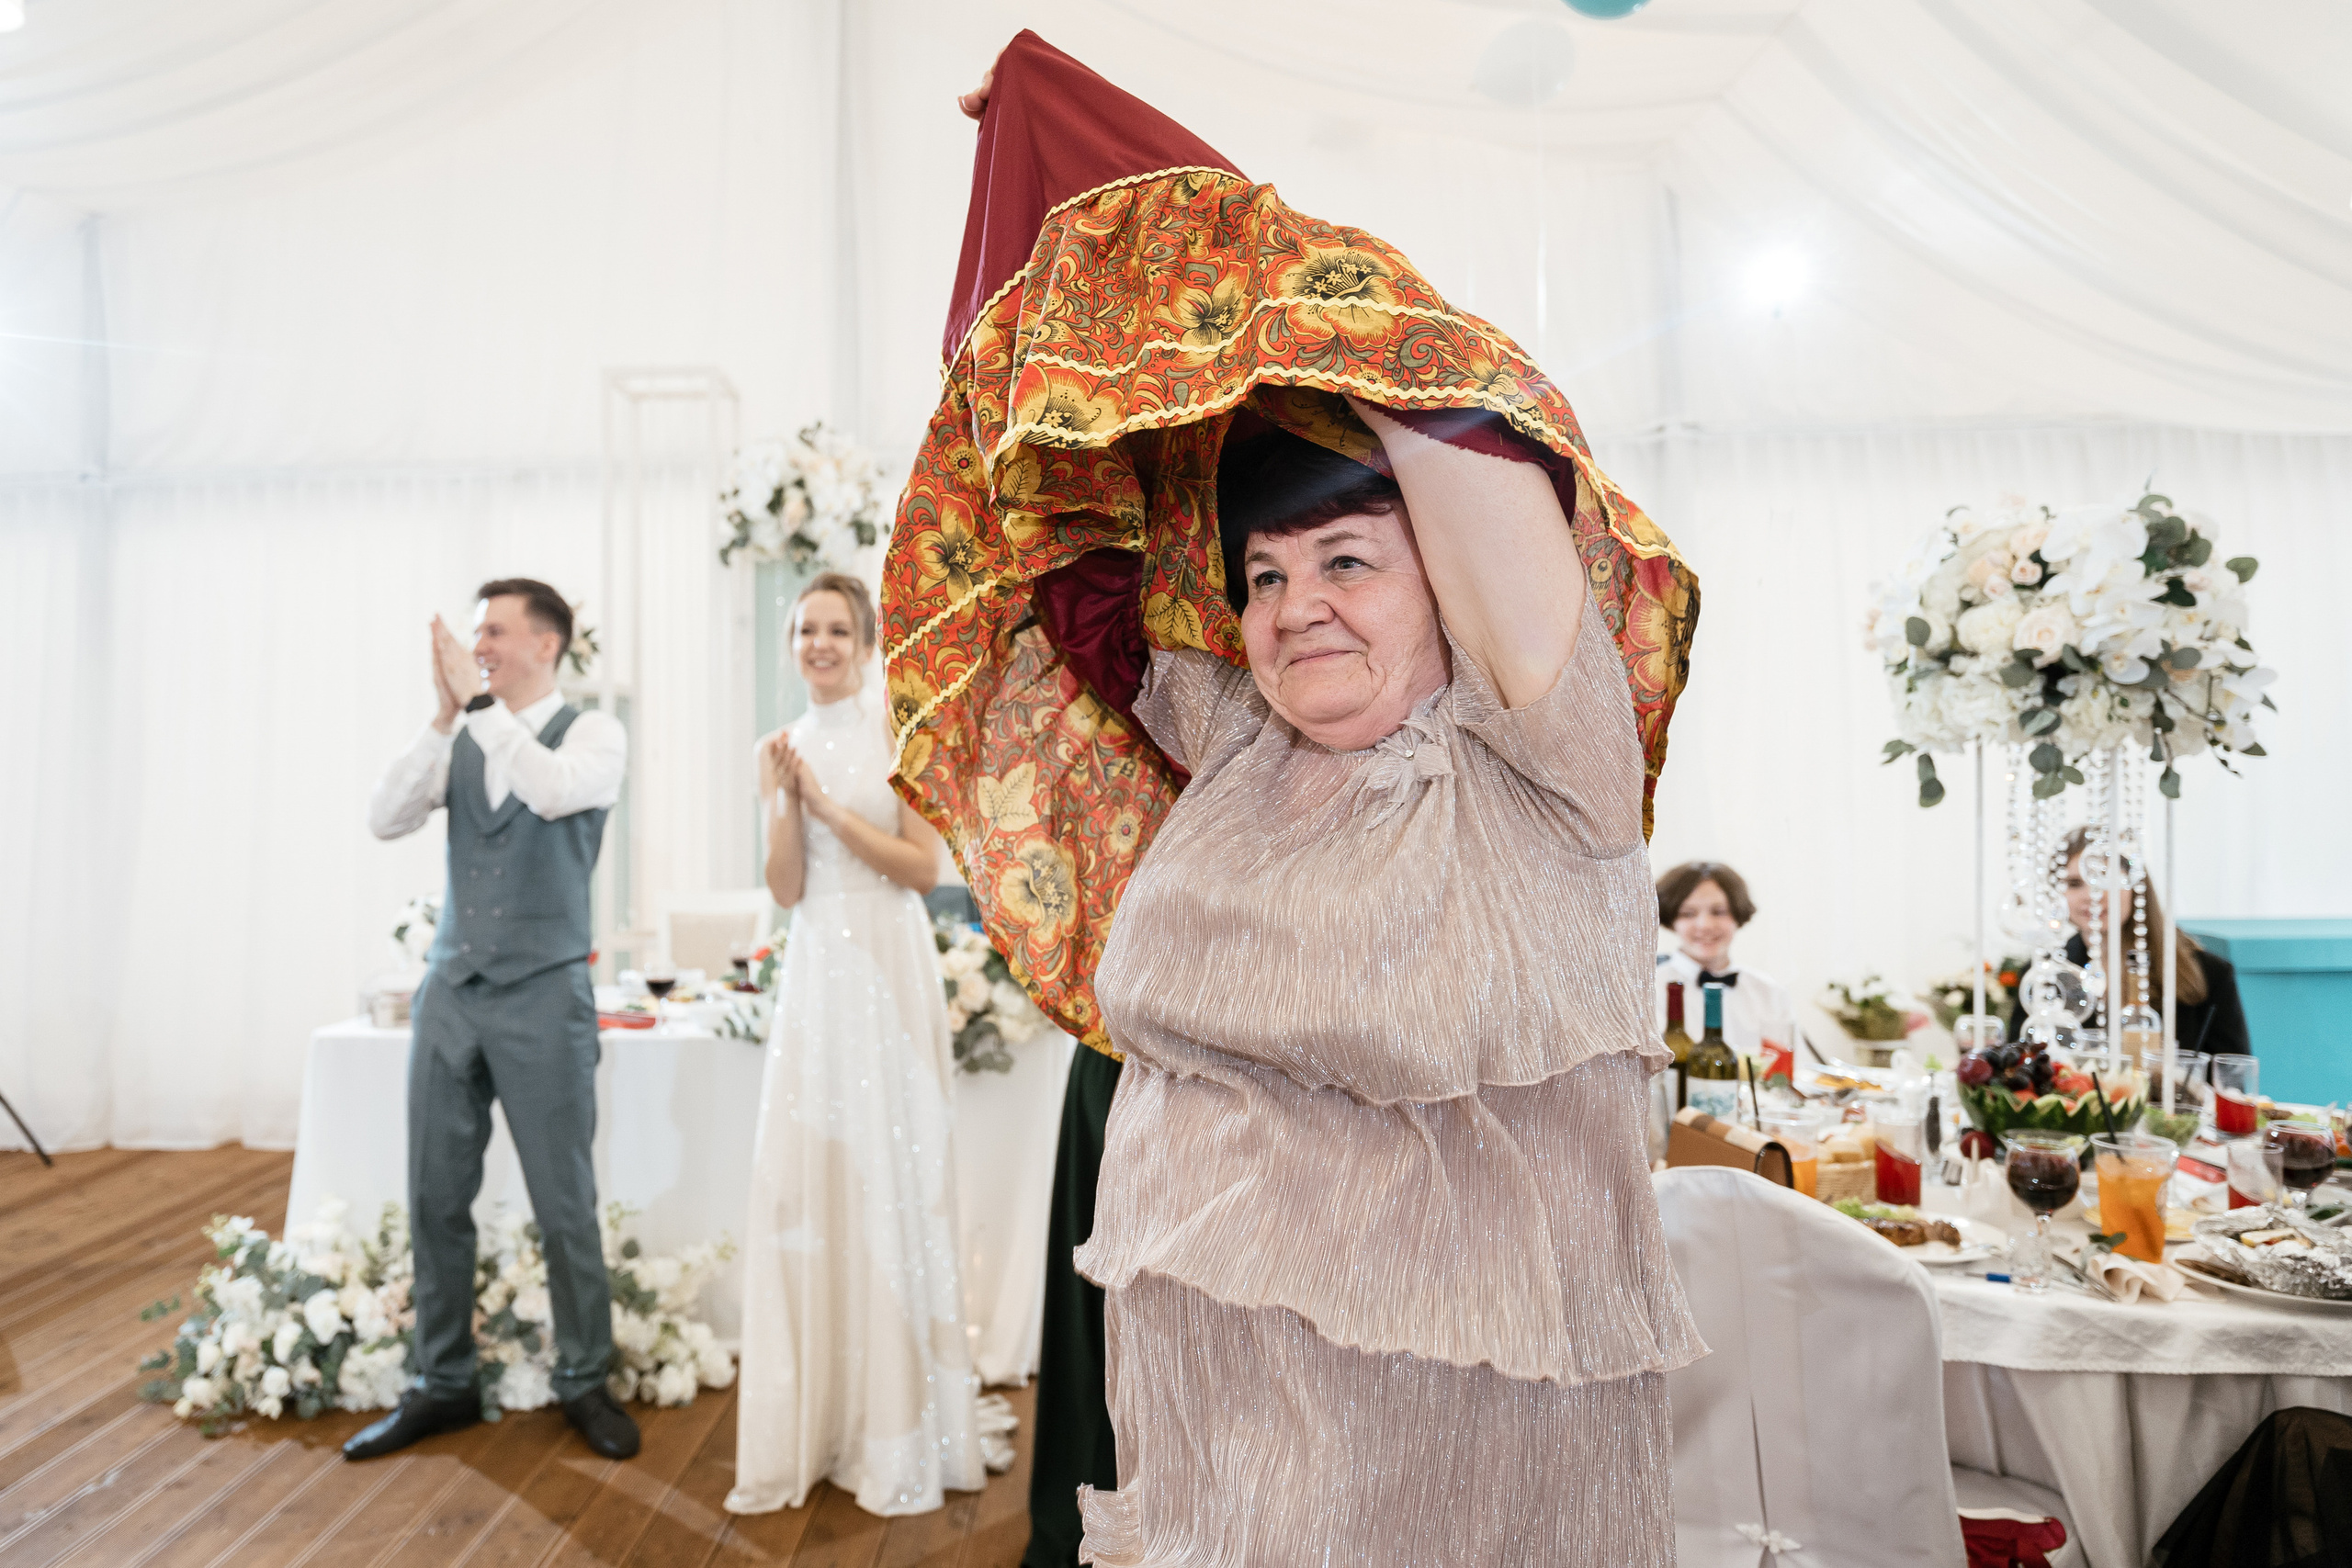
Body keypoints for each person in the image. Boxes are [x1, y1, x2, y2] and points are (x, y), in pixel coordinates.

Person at [1068, 410, 1703, 1564]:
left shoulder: (1545, 761)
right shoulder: (1236, 740)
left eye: (1346, 560)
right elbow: (1064, 559)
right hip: (1209, 1392)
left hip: (1426, 1419)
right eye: (1263, 574)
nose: (1293, 605)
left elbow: (1478, 458)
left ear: (1452, 584)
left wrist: (1307, 348)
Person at [726, 573, 1001, 1517]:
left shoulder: (899, 731)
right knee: (811, 1177)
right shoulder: (779, 747)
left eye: (837, 628)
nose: (820, 643)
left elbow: (922, 869)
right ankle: (824, 1416)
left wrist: (829, 806)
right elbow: (788, 889)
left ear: (867, 639)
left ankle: (899, 1413)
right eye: (806, 629)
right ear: (791, 643)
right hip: (816, 977)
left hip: (886, 960)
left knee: (892, 1168)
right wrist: (779, 801)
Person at [350, 579, 639, 1461]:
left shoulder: (594, 733)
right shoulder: (468, 730)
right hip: (451, 989)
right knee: (435, 1195)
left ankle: (584, 1377)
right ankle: (442, 1382)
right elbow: (385, 817)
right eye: (474, 633)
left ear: (546, 644)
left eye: (495, 631)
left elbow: (550, 792)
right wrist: (445, 718)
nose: (480, 645)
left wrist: (476, 706)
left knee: (564, 1203)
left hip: (545, 993)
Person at [2007, 825, 2249, 1055]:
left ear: (2136, 884)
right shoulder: (2042, 975)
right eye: (2074, 883)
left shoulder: (2210, 974)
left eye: (2105, 879)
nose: (2092, 896)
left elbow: (2232, 1079)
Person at [1655, 860, 1795, 1056]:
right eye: (1688, 913)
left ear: (1738, 914)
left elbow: (1781, 1073)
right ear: (1672, 919)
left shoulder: (1769, 992)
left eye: (1718, 912)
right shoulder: (1650, 992)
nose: (1704, 925)